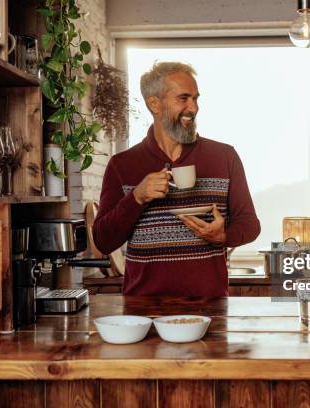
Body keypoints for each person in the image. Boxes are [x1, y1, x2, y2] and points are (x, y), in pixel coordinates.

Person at [93, 62, 260, 296]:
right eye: (183, 98)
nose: (193, 107)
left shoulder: (224, 157)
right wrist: (137, 197)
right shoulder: (122, 165)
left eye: (196, 98)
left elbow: (250, 225)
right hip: (143, 310)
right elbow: (103, 241)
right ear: (155, 104)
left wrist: (223, 236)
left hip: (209, 307)